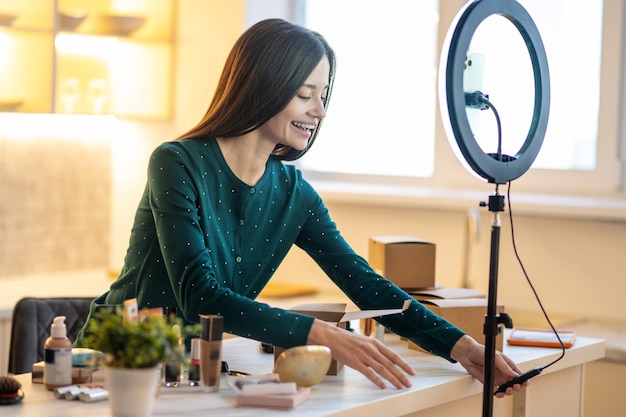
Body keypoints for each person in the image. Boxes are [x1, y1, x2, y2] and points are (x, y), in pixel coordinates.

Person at [76, 18, 525, 394]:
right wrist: (319, 333)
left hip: (191, 370)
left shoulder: (295, 193)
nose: (320, 111)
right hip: (109, 363)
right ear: (264, 87)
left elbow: (366, 286)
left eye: (323, 95)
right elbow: (201, 298)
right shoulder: (176, 162)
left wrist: (462, 346)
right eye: (305, 94)